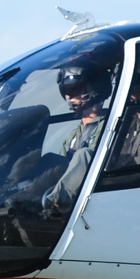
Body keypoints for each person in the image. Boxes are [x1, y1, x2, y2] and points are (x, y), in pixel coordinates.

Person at [41, 58, 113, 216]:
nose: (70, 97)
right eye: (67, 92)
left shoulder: (111, 124)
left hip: (96, 191)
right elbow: (60, 169)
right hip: (76, 193)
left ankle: (54, 206)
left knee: (83, 154)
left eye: (75, 90)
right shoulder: (74, 135)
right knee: (50, 161)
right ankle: (23, 201)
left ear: (95, 88)